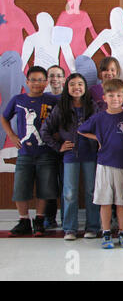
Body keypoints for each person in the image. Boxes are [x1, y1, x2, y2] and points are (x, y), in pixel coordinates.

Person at [78, 78, 123, 249]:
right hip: (103, 165)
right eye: (111, 95)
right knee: (105, 202)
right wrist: (98, 138)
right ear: (104, 98)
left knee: (121, 202)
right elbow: (81, 130)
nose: (115, 99)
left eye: (119, 95)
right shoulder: (99, 118)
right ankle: (106, 232)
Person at [40, 73, 100, 240]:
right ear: (67, 88)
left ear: (85, 87)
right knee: (69, 193)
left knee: (91, 191)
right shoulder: (61, 107)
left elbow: (101, 128)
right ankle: (70, 229)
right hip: (70, 157)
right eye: (72, 84)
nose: (76, 87)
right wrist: (58, 146)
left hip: (90, 156)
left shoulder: (92, 106)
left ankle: (93, 227)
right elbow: (45, 131)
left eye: (80, 84)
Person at [1, 66, 59, 237]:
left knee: (45, 188)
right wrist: (11, 135)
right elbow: (4, 117)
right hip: (25, 153)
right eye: (33, 80)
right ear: (27, 82)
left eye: (41, 80)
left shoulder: (52, 100)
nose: (36, 83)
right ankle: (24, 220)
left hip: (46, 152)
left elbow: (61, 120)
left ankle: (39, 220)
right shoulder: (18, 99)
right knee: (21, 187)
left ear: (46, 82)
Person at [43, 65, 66, 229]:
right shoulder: (44, 97)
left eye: (58, 75)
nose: (55, 79)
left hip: (67, 148)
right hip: (49, 148)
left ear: (64, 78)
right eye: (52, 76)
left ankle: (66, 218)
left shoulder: (69, 96)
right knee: (49, 183)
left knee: (67, 184)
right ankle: (49, 217)